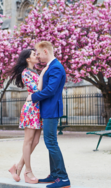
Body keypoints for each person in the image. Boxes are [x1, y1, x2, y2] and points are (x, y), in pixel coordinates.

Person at [26, 41, 70, 188]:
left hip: (51, 110)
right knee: (50, 142)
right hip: (48, 109)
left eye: (38, 53)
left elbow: (50, 90)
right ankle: (55, 175)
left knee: (51, 142)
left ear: (45, 51)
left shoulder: (56, 67)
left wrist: (33, 97)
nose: (37, 56)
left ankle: (63, 178)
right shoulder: (51, 66)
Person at [8, 49, 48, 184]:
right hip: (31, 109)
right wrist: (43, 76)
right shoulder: (26, 73)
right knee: (28, 141)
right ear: (27, 59)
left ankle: (18, 166)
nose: (37, 56)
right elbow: (37, 90)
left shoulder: (34, 72)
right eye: (33, 55)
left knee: (35, 141)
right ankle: (27, 171)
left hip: (38, 108)